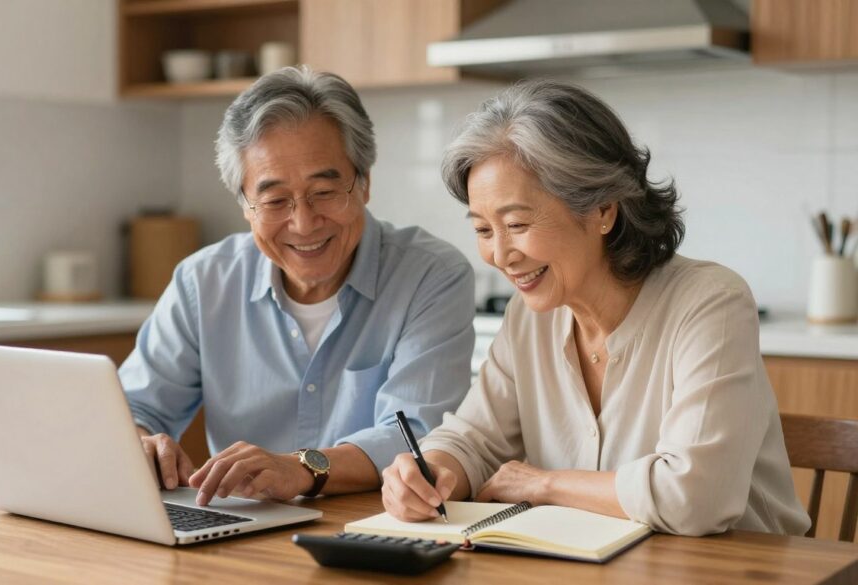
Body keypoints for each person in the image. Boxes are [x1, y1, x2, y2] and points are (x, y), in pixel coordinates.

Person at [380, 79, 810, 536]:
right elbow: (476, 438)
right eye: (484, 230)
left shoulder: (711, 303)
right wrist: (429, 472)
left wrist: (546, 484)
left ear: (603, 210)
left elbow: (695, 497)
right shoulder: (529, 318)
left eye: (517, 223)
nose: (501, 255)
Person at [120, 67, 475, 507]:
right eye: (274, 200)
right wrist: (139, 441)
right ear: (245, 206)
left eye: (324, 192)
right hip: (239, 531)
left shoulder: (431, 276)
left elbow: (421, 437)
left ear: (363, 183)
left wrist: (303, 467)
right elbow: (134, 409)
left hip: (373, 528)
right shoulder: (203, 281)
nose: (304, 223)